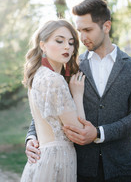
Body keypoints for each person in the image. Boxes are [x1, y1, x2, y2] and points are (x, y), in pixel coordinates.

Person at [25, 0, 131, 182]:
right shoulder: (70, 66)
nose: (82, 38)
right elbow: (50, 106)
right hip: (79, 169)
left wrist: (99, 133)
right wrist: (31, 137)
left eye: (87, 30)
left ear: (106, 26)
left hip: (120, 168)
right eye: (79, 31)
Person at [20, 19, 87, 182]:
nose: (67, 47)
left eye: (71, 43)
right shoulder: (55, 80)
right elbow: (79, 130)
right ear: (43, 45)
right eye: (59, 41)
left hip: (42, 158)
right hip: (57, 159)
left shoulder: (37, 76)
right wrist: (77, 94)